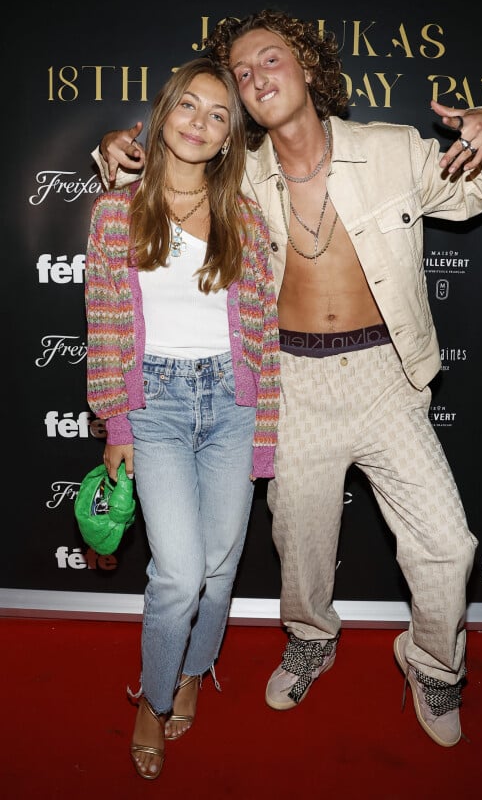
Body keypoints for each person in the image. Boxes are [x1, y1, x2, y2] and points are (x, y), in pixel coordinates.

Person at [92, 8, 482, 749]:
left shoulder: (391, 150)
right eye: (243, 73)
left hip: (387, 378)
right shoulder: (240, 175)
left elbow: (479, 190)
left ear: (309, 67)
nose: (258, 77)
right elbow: (177, 151)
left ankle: (433, 666)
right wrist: (116, 143)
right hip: (291, 382)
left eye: (271, 59)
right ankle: (310, 639)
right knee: (302, 541)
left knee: (448, 543)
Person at [85, 55, 280, 780]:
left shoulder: (246, 216)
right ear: (164, 115)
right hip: (155, 403)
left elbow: (261, 334)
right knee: (178, 573)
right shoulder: (116, 212)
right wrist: (117, 424)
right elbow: (103, 324)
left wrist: (264, 427)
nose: (200, 122)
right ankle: (153, 695)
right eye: (188, 106)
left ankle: (197, 669)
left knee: (222, 564)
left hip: (233, 402)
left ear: (231, 136)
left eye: (218, 113)